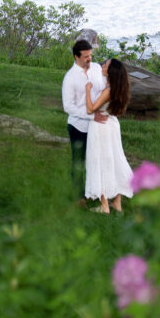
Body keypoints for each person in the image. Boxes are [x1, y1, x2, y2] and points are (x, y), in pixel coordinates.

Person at [84, 58, 134, 214]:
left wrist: (87, 90)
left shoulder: (108, 90)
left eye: (105, 65)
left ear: (111, 71)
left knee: (101, 162)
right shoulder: (118, 88)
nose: (102, 65)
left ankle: (104, 205)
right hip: (112, 124)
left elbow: (90, 109)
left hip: (101, 127)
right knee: (114, 160)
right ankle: (117, 203)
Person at [62, 39, 107, 203]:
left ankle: (97, 193)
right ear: (76, 57)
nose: (89, 59)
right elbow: (68, 106)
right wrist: (91, 115)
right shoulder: (70, 78)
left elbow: (104, 90)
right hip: (78, 126)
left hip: (97, 125)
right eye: (86, 56)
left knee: (98, 160)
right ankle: (78, 196)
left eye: (90, 55)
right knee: (78, 162)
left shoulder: (96, 68)